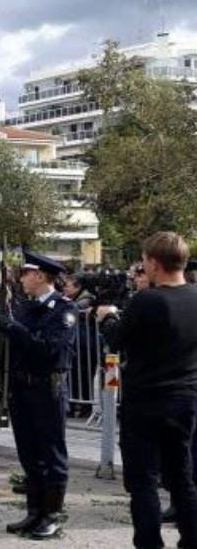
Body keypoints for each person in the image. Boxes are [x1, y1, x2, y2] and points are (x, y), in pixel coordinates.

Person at [97, 233, 197, 549]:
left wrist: (107, 317)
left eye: (144, 261)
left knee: (143, 481)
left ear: (154, 263)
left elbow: (117, 339)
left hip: (146, 401)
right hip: (185, 398)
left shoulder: (148, 300)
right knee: (182, 476)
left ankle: (149, 542)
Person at [0, 250, 77, 540]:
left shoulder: (64, 310)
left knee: (51, 452)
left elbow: (48, 348)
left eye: (26, 274)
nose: (21, 279)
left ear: (40, 276)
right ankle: (34, 512)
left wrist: (15, 329)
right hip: (23, 387)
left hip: (47, 387)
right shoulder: (25, 307)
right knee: (29, 452)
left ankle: (51, 515)